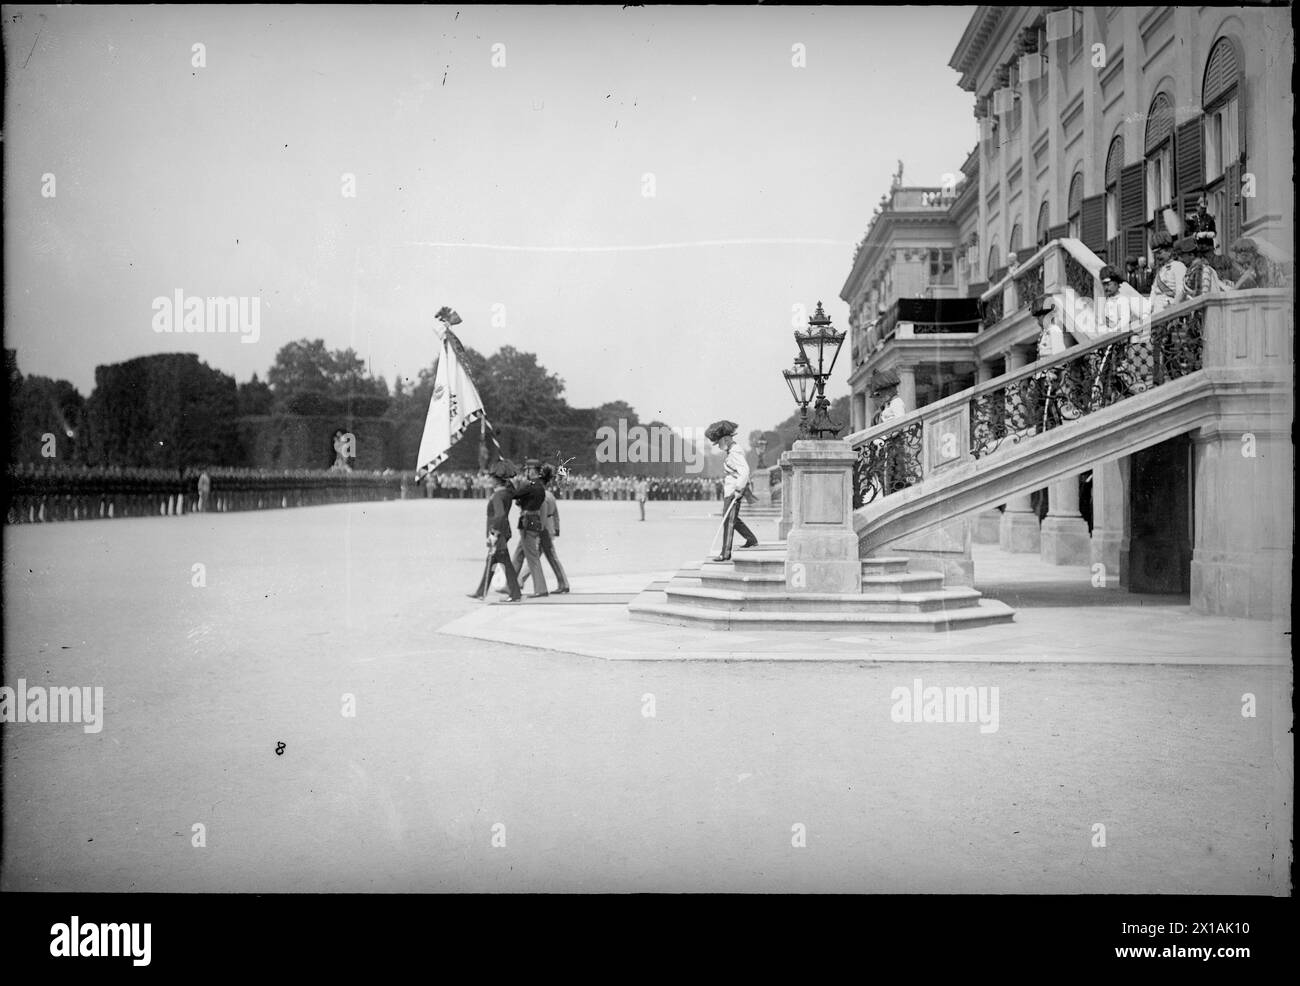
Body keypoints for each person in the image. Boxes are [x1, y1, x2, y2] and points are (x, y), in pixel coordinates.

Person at [467, 461, 522, 601]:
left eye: (492, 477)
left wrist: (493, 534)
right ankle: (481, 591)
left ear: (497, 480)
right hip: (502, 532)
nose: (490, 479)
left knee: (504, 563)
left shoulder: (498, 495)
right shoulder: (507, 493)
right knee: (491, 561)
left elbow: (499, 515)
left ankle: (515, 594)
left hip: (498, 534)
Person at [514, 463, 571, 595]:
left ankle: (520, 581)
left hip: (542, 529)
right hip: (548, 529)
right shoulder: (550, 495)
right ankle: (563, 583)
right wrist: (556, 529)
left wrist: (540, 531)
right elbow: (556, 514)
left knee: (533, 558)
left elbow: (542, 515)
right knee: (550, 558)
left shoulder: (541, 495)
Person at [705, 420, 757, 562]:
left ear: (726, 439)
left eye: (718, 442)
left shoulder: (735, 452)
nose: (718, 446)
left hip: (734, 491)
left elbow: (744, 471)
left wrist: (739, 489)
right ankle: (751, 539)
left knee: (728, 520)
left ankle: (725, 552)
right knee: (730, 518)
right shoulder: (732, 451)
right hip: (731, 490)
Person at [508, 458, 549, 598]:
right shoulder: (539, 487)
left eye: (528, 470)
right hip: (533, 521)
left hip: (527, 523)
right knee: (519, 555)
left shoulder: (531, 486)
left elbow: (515, 495)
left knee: (532, 558)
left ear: (533, 471)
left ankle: (541, 589)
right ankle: (510, 585)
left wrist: (511, 483)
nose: (526, 472)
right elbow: (524, 500)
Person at [1148, 232, 1187, 314]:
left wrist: (1175, 308)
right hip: (1156, 311)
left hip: (1169, 309)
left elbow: (1181, 290)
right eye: (1155, 254)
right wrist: (1149, 307)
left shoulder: (1178, 266)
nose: (1157, 257)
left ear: (1169, 251)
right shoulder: (1160, 270)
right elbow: (1154, 290)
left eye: (1159, 253)